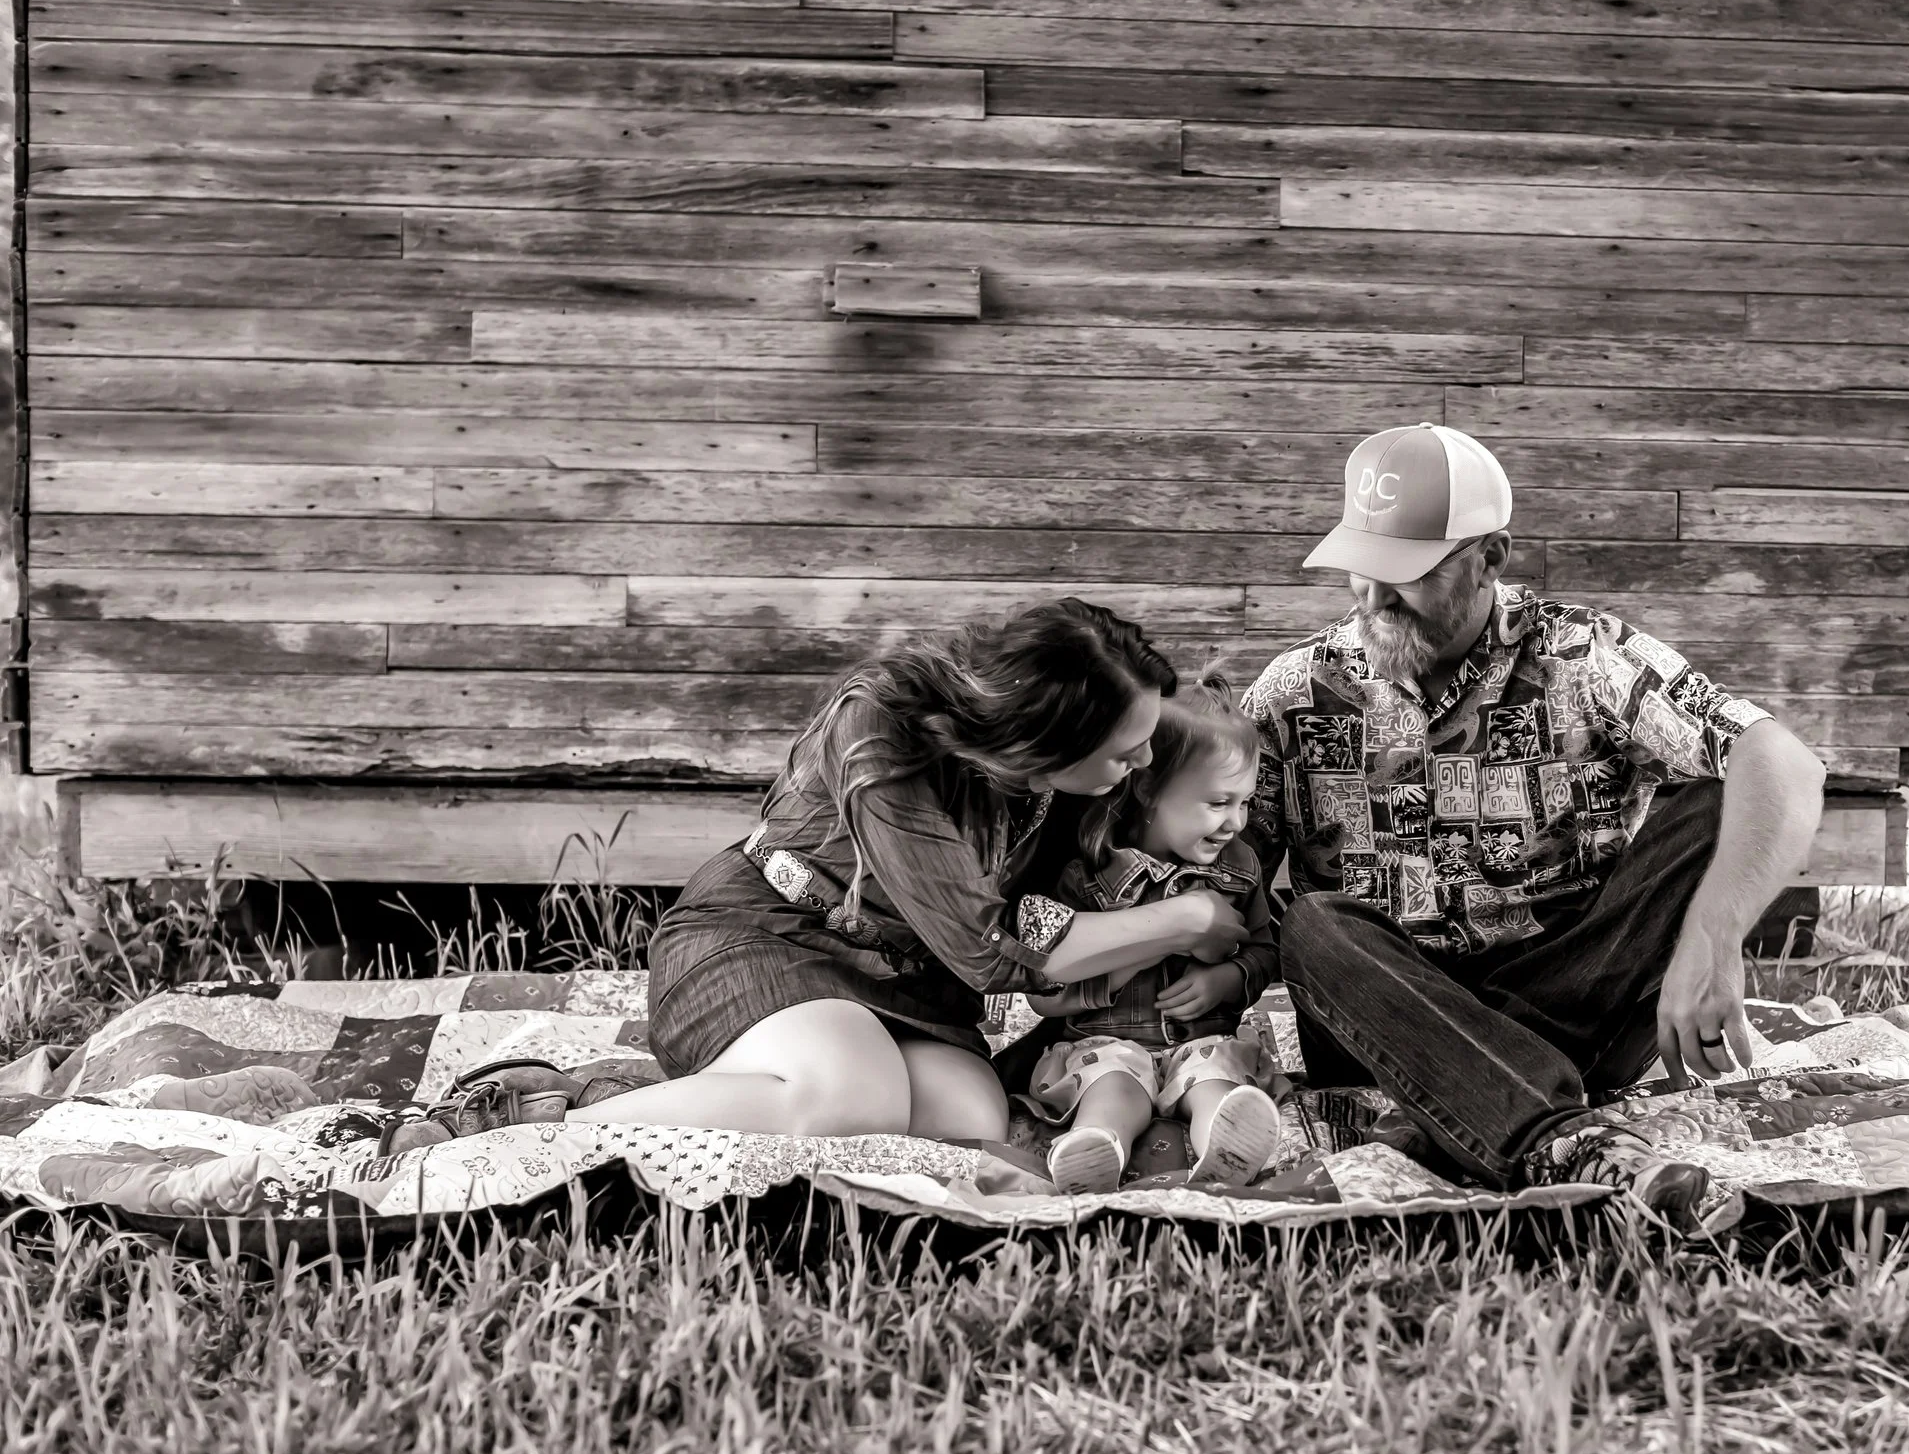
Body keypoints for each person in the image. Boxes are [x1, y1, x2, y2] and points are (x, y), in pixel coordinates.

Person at [390, 600, 1252, 1152]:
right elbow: (994, 951)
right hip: (762, 942)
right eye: (1124, 749)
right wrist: (1188, 921)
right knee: (851, 1096)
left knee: (971, 1119)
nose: (1142, 762)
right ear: (1044, 741)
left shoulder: (1056, 783)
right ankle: (535, 1125)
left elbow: (1048, 919)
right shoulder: (886, 734)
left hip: (906, 986)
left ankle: (644, 1097)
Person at [1242, 422, 1829, 1216]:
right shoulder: (1293, 691)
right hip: (1382, 1013)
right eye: (1361, 567)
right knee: (1312, 925)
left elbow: (1784, 761)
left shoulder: (1582, 654)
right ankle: (1564, 1138)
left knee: (1721, 790)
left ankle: (1455, 1110)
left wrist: (1714, 941)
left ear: (1491, 558)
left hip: (1573, 999)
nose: (1373, 597)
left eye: (1406, 574)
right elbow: (1219, 872)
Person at [1015, 676, 1284, 1193]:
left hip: (1201, 1042)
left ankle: (1223, 1156)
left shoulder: (1241, 868)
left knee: (1216, 1083)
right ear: (1148, 788)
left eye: (1245, 803)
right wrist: (1128, 964)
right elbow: (1045, 994)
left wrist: (1228, 979)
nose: (1235, 822)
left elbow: (1264, 950)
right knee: (1113, 1083)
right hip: (1107, 1041)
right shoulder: (1088, 875)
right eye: (1217, 802)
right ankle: (1096, 1148)